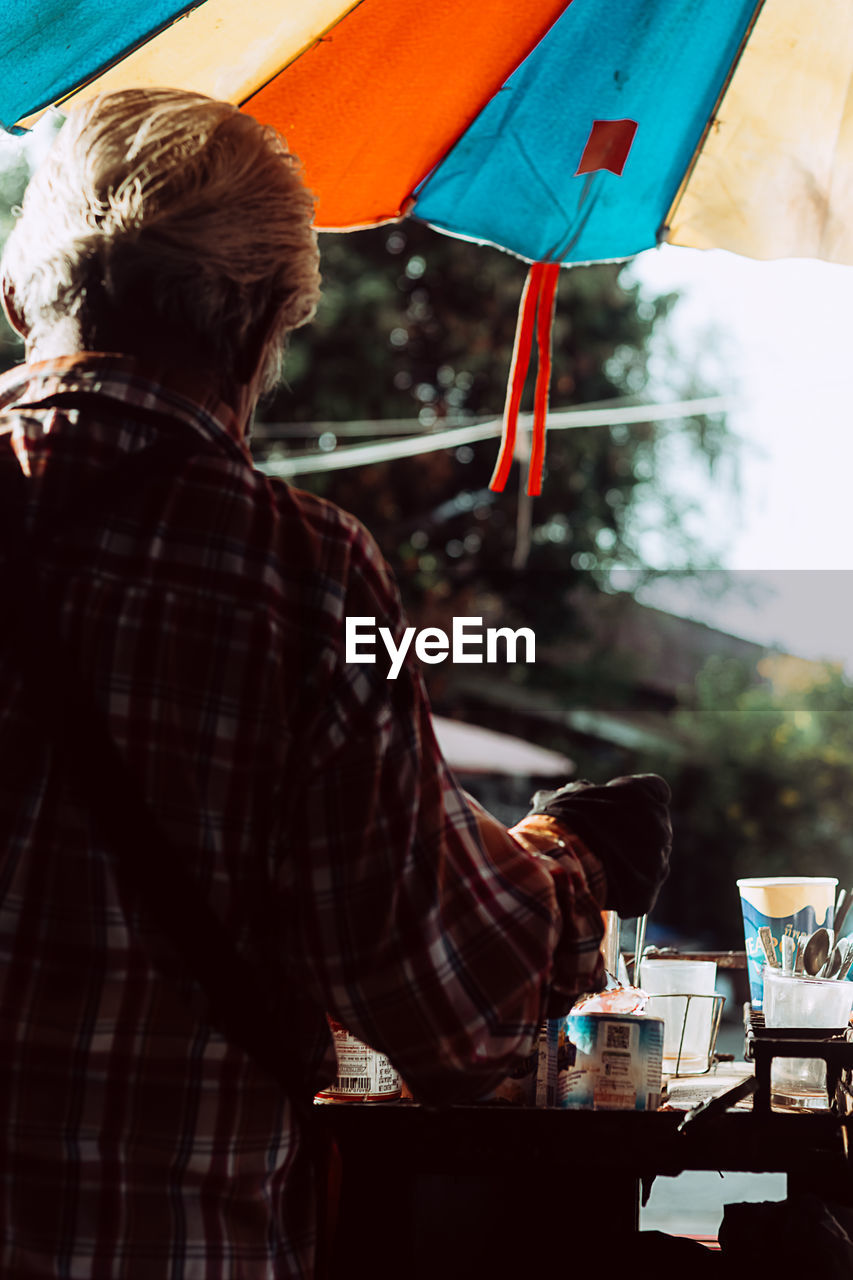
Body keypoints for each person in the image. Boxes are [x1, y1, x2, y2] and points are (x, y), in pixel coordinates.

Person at [0, 88, 671, 1277]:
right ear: (263, 332)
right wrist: (577, 868)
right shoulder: (292, 571)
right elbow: (442, 1002)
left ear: (17, 294)